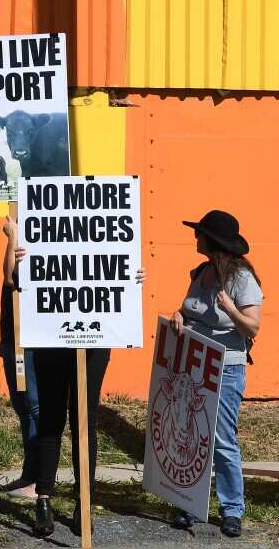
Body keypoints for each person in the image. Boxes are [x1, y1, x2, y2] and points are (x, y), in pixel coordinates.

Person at [168, 210, 262, 538]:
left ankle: (231, 509)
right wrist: (178, 316)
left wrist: (232, 309)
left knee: (221, 439)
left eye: (200, 234)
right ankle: (189, 504)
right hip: (194, 364)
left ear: (213, 241)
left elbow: (253, 327)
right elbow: (190, 308)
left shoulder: (241, 279)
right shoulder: (202, 272)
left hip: (226, 368)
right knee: (191, 435)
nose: (196, 238)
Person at [31, 268, 146, 537]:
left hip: (95, 335)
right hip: (52, 333)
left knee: (85, 418)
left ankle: (85, 502)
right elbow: (15, 278)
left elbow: (115, 264)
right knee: (51, 417)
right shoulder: (42, 231)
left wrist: (131, 275)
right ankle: (43, 499)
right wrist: (21, 257)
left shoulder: (105, 230)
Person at [0, 216, 38, 497]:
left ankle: (37, 480)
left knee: (34, 407)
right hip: (13, 341)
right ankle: (29, 474)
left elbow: (11, 278)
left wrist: (12, 238)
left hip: (32, 342)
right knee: (23, 407)